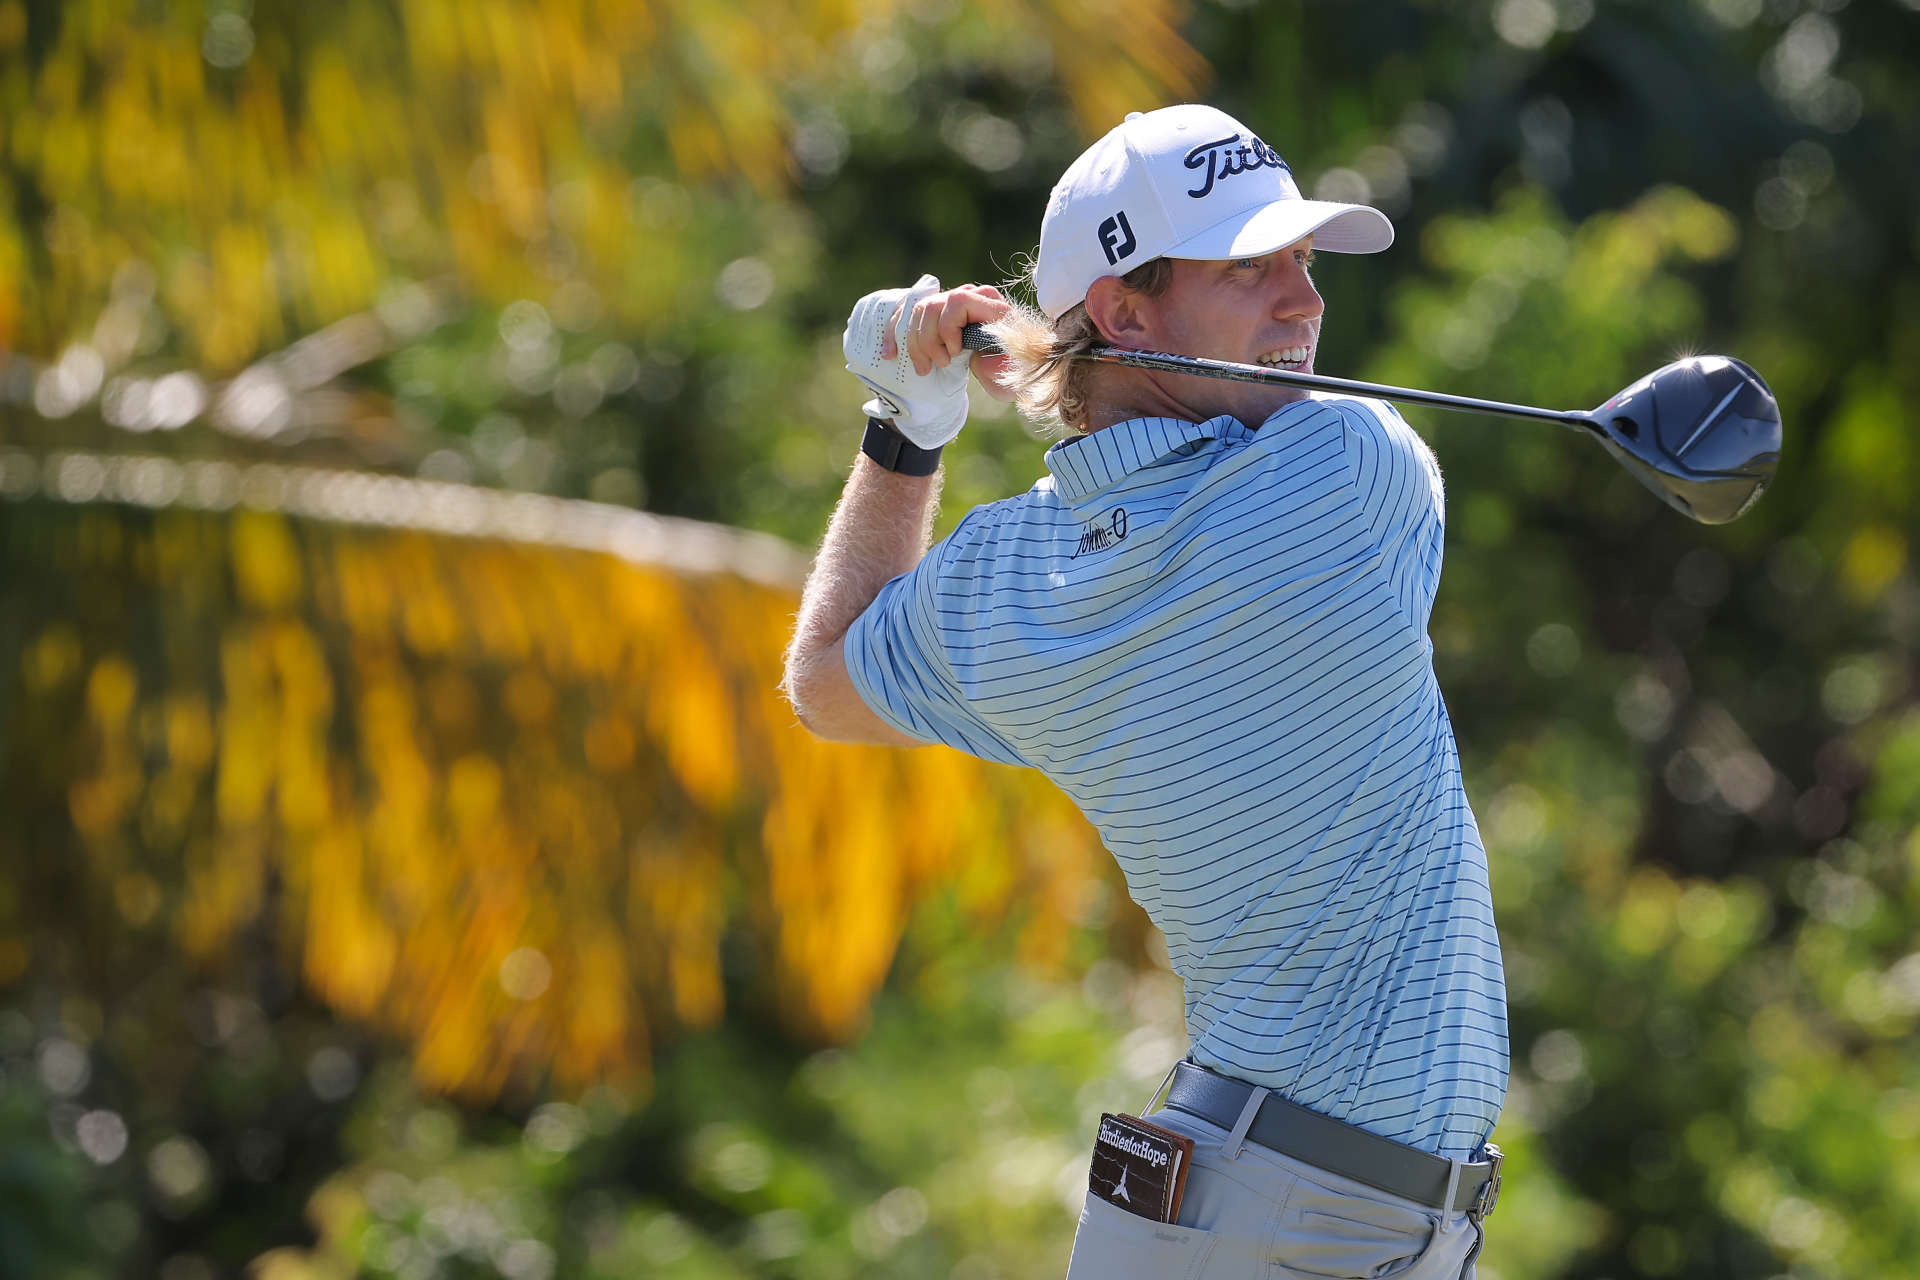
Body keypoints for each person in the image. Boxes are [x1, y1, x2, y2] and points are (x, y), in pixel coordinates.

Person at [783, 103, 1507, 1280]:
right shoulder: (1349, 474)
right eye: (1251, 266)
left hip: (1257, 1204)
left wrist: (908, 425)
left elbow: (823, 681)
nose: (1304, 301)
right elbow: (1210, 483)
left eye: (1304, 261)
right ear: (1127, 308)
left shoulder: (1000, 577)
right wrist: (1044, 354)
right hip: (1292, 1221)